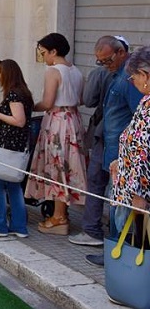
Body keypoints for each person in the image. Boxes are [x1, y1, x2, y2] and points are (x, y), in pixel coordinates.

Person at [71, 36, 138, 247]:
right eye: (99, 62)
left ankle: (118, 247)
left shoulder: (129, 80)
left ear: (121, 53)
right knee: (111, 195)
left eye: (107, 60)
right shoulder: (114, 75)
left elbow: (139, 118)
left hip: (122, 149)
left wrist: (127, 152)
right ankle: (111, 244)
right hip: (110, 143)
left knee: (119, 200)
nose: (103, 65)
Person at [25, 33, 86, 235]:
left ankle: (59, 218)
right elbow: (81, 99)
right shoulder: (76, 70)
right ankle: (62, 213)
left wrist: (30, 106)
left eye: (44, 53)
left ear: (53, 51)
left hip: (58, 121)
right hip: (74, 120)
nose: (43, 58)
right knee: (69, 166)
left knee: (57, 164)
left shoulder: (53, 71)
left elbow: (48, 102)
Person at [0, 59, 34, 238]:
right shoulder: (24, 93)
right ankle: (19, 226)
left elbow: (19, 120)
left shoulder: (14, 95)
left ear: (6, 75)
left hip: (9, 146)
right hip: (17, 145)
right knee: (14, 185)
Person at [110, 45, 150, 233]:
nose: (132, 82)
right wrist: (121, 161)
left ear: (145, 75)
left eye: (133, 77)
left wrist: (138, 193)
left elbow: (143, 151)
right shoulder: (145, 100)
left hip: (141, 194)